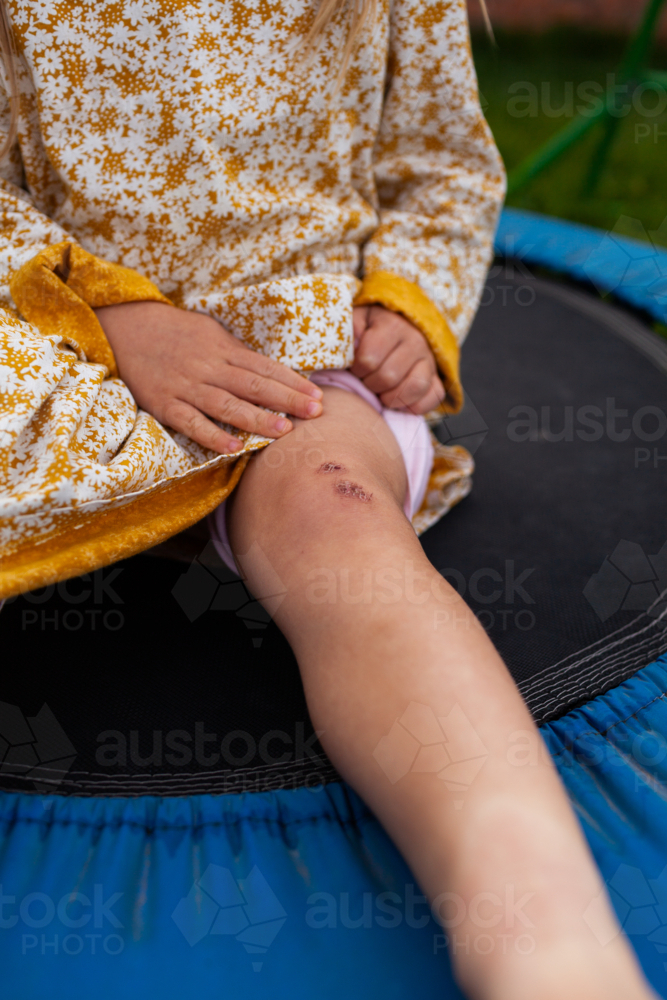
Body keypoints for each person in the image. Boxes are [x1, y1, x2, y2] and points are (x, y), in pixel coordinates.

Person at [0, 1, 657, 997]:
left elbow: (441, 167)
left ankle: (543, 940)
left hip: (290, 353)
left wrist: (407, 303)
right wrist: (114, 317)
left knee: (336, 511)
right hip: (49, 335)